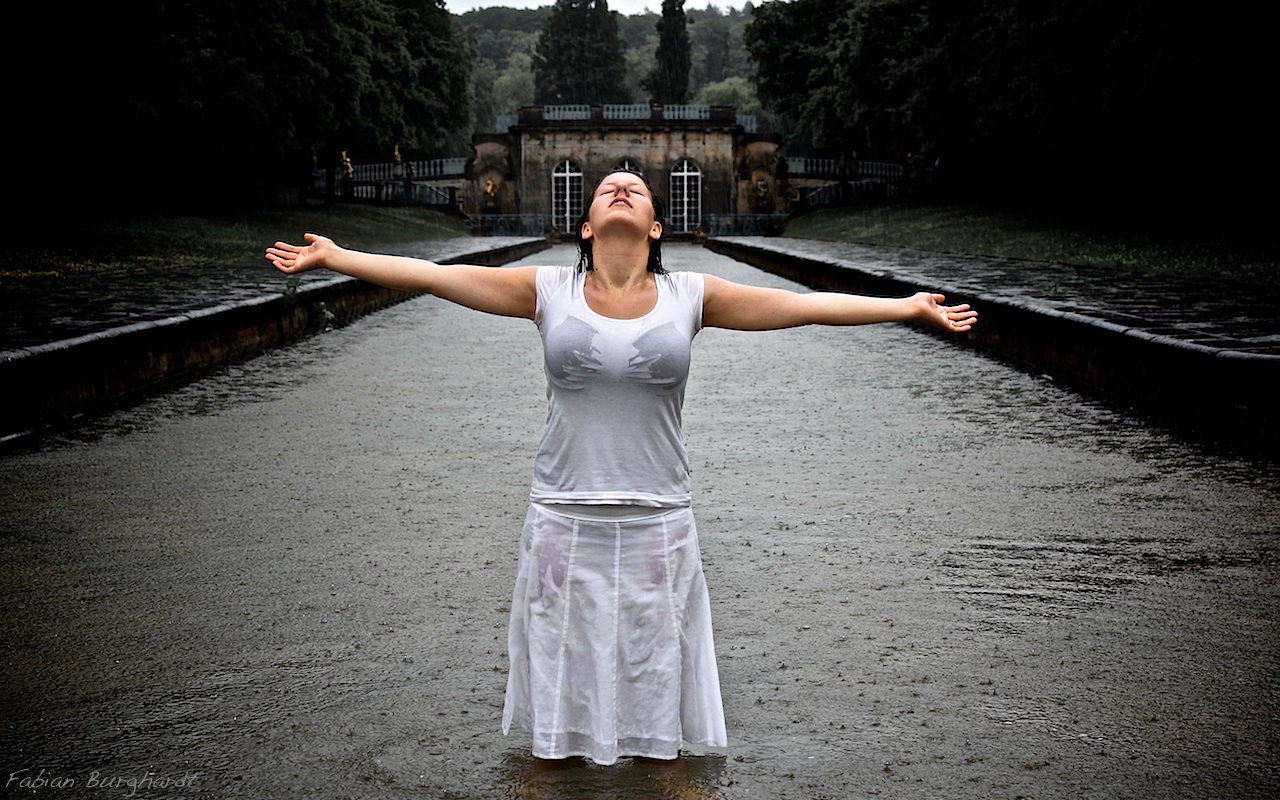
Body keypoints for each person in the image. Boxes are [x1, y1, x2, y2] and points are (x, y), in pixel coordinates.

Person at [265, 168, 976, 766]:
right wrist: (337, 257)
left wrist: (907, 308)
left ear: (657, 228)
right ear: (585, 226)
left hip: (659, 523)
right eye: (607, 188)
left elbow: (804, 307)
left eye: (635, 189)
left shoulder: (692, 296)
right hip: (561, 520)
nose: (621, 191)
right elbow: (432, 275)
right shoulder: (546, 291)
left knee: (657, 699)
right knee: (556, 713)